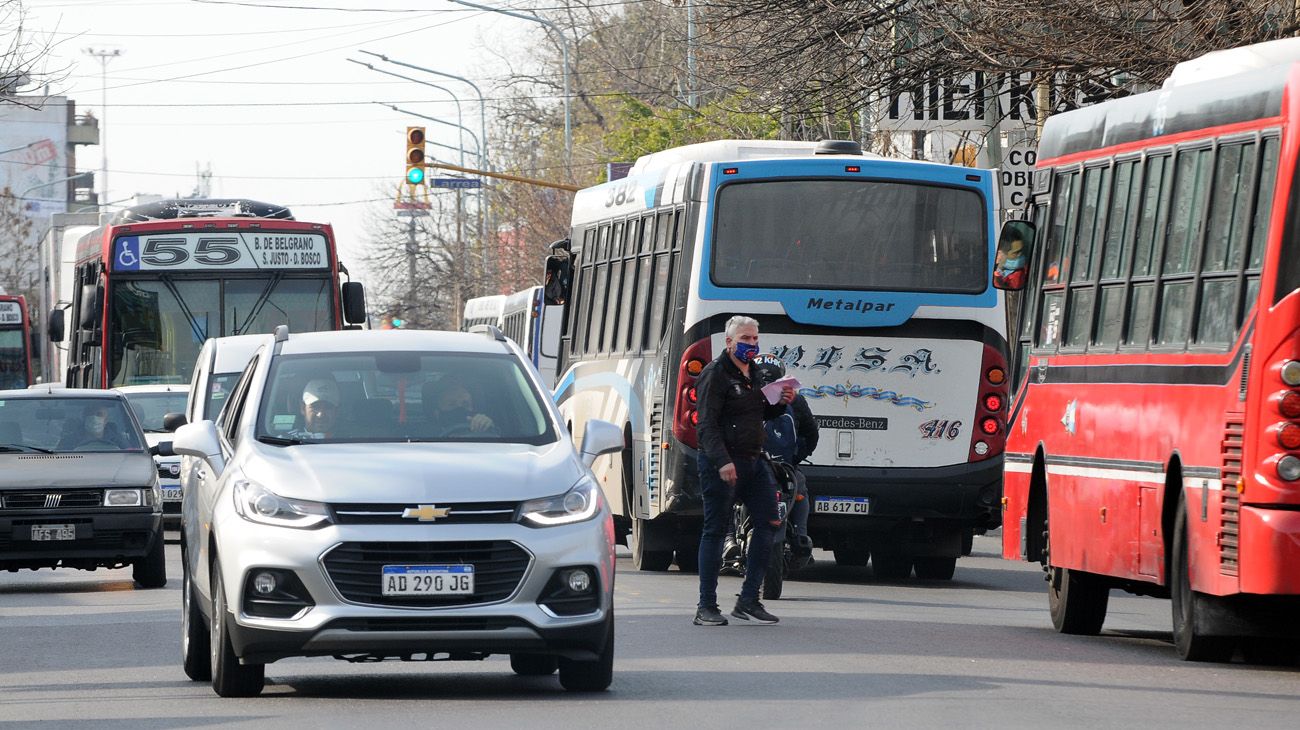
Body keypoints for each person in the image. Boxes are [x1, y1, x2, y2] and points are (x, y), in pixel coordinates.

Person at [693, 315, 794, 627]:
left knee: (770, 522)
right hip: (722, 462)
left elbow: (761, 412)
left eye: (754, 338)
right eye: (745, 339)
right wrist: (722, 461)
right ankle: (706, 606)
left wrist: (782, 402)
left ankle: (748, 599)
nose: (751, 344)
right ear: (729, 342)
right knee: (715, 529)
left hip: (755, 460)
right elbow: (706, 425)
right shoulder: (715, 374)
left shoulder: (755, 374)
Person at [422, 375, 496, 435]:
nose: (460, 408)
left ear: (473, 407)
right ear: (437, 413)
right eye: (452, 404)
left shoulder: (483, 429)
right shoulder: (425, 437)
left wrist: (488, 429)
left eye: (465, 404)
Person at [59, 403, 125, 450]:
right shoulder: (69, 441)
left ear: (106, 420)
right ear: (84, 417)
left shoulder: (118, 440)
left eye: (99, 414)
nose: (94, 417)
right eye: (90, 414)